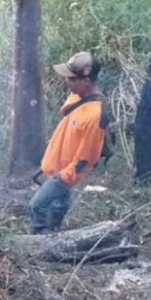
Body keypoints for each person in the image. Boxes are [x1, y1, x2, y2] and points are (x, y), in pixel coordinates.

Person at [28, 51, 107, 234]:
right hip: (55, 171)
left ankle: (39, 247)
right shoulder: (77, 97)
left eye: (72, 79)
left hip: (64, 176)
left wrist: (63, 178)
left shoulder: (94, 116)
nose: (67, 81)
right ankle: (48, 243)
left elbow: (86, 159)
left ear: (86, 82)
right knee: (53, 211)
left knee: (36, 208)